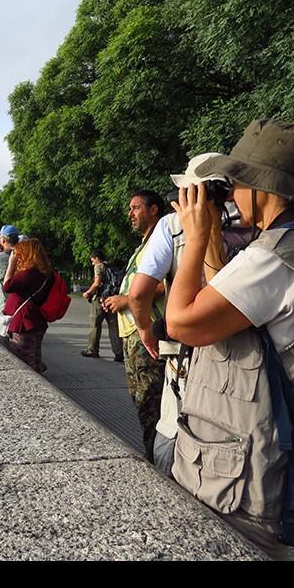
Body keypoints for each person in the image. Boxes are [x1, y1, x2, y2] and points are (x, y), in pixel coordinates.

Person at [163, 118, 294, 560]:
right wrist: (212, 237)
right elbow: (221, 303)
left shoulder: (275, 257)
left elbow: (182, 323)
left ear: (263, 188)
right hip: (272, 464)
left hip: (243, 484)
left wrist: (194, 239)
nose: (229, 195)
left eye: (236, 183)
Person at [128, 153, 232, 476]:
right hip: (232, 364)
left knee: (170, 437)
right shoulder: (251, 224)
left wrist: (145, 329)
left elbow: (138, 293)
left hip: (182, 359)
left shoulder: (172, 226)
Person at [100, 190, 167, 462]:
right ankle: (153, 456)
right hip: (133, 335)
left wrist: (125, 300)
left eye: (136, 207)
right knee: (141, 402)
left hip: (146, 333)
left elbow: (166, 285)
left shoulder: (161, 241)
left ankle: (158, 463)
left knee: (152, 404)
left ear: (154, 210)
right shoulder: (144, 245)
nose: (130, 213)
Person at [2, 238, 54, 373]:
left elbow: (7, 286)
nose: (18, 258)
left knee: (25, 363)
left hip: (24, 324)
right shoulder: (46, 273)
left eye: (19, 255)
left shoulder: (28, 273)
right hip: (36, 321)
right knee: (35, 359)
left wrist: (11, 263)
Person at [80, 249, 123, 361]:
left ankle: (92, 350)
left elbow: (97, 283)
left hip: (99, 299)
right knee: (113, 326)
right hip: (110, 299)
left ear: (97, 259)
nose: (92, 263)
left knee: (95, 325)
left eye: (92, 260)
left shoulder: (98, 267)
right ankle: (119, 352)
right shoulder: (110, 266)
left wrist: (87, 293)